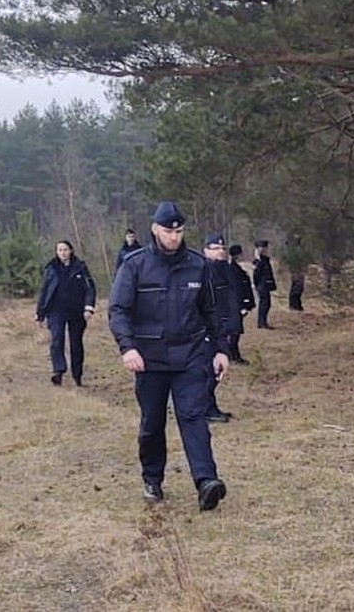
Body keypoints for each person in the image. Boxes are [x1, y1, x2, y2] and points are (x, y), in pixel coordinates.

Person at [109, 201, 230, 511]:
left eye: (179, 231)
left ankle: (206, 481)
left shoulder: (197, 265)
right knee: (153, 421)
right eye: (168, 231)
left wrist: (219, 349)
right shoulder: (135, 265)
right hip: (149, 359)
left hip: (190, 356)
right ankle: (153, 478)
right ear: (154, 230)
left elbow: (211, 311)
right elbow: (118, 310)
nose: (174, 237)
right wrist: (127, 347)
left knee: (193, 417)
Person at [35, 240, 97, 387]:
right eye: (59, 250)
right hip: (56, 310)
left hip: (76, 310)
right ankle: (58, 371)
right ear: (56, 252)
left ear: (71, 251)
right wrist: (40, 313)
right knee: (57, 339)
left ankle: (77, 375)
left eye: (65, 250)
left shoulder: (80, 267)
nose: (62, 253)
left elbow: (90, 289)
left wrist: (88, 307)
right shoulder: (51, 268)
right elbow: (44, 291)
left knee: (76, 344)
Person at [202, 233, 239, 423]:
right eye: (216, 249)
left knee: (217, 370)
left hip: (225, 324)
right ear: (206, 250)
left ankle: (209, 406)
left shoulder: (226, 269)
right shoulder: (204, 272)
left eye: (222, 249)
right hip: (211, 328)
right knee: (210, 371)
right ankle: (205, 409)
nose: (221, 252)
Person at [228, 244, 255, 364]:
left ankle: (233, 355)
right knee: (234, 332)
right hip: (236, 305)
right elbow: (237, 289)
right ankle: (234, 357)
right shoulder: (233, 270)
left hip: (236, 305)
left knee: (235, 331)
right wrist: (242, 305)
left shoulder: (235, 268)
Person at [252, 239, 277, 329]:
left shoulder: (265, 260)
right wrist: (258, 284)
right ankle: (262, 322)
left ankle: (263, 322)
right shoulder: (259, 261)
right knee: (264, 303)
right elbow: (256, 274)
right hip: (262, 285)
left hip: (265, 285)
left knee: (266, 303)